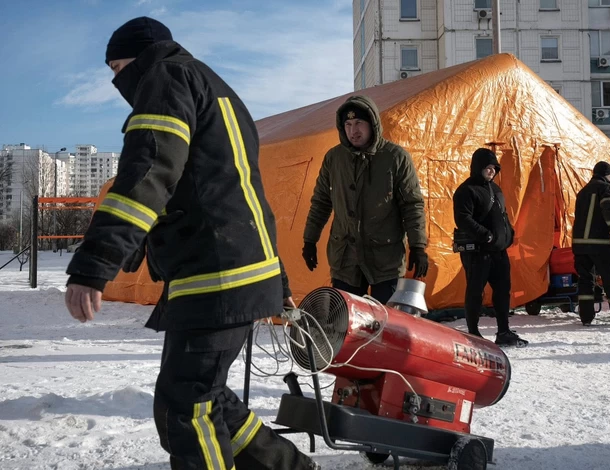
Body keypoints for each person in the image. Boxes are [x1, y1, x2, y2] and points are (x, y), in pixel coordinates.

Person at [63, 17, 318, 470]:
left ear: (141, 57)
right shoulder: (219, 90)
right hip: (238, 269)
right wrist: (275, 278)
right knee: (208, 397)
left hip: (214, 275)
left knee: (187, 408)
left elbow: (149, 172)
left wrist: (93, 265)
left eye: (118, 67)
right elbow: (230, 191)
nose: (115, 80)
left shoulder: (166, 78)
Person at [302, 95, 428, 305]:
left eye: (359, 123)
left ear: (373, 123)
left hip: (385, 258)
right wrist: (310, 240)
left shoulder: (395, 157)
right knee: (346, 325)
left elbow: (412, 205)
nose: (353, 131)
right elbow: (321, 203)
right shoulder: (334, 159)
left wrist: (418, 246)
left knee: (386, 325)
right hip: (345, 258)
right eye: (348, 124)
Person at [452, 148, 528, 346]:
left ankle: (504, 331)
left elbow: (502, 215)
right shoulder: (466, 190)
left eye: (494, 167)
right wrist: (485, 235)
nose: (492, 171)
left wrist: (509, 234)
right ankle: (473, 332)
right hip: (478, 252)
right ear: (478, 167)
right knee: (475, 291)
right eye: (487, 167)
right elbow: (463, 219)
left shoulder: (496, 190)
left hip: (499, 251)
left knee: (503, 291)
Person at [572, 162, 610, 326]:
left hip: (579, 244)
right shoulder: (607, 189)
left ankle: (586, 317)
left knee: (585, 280)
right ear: (607, 175)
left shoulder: (583, 191)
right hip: (599, 243)